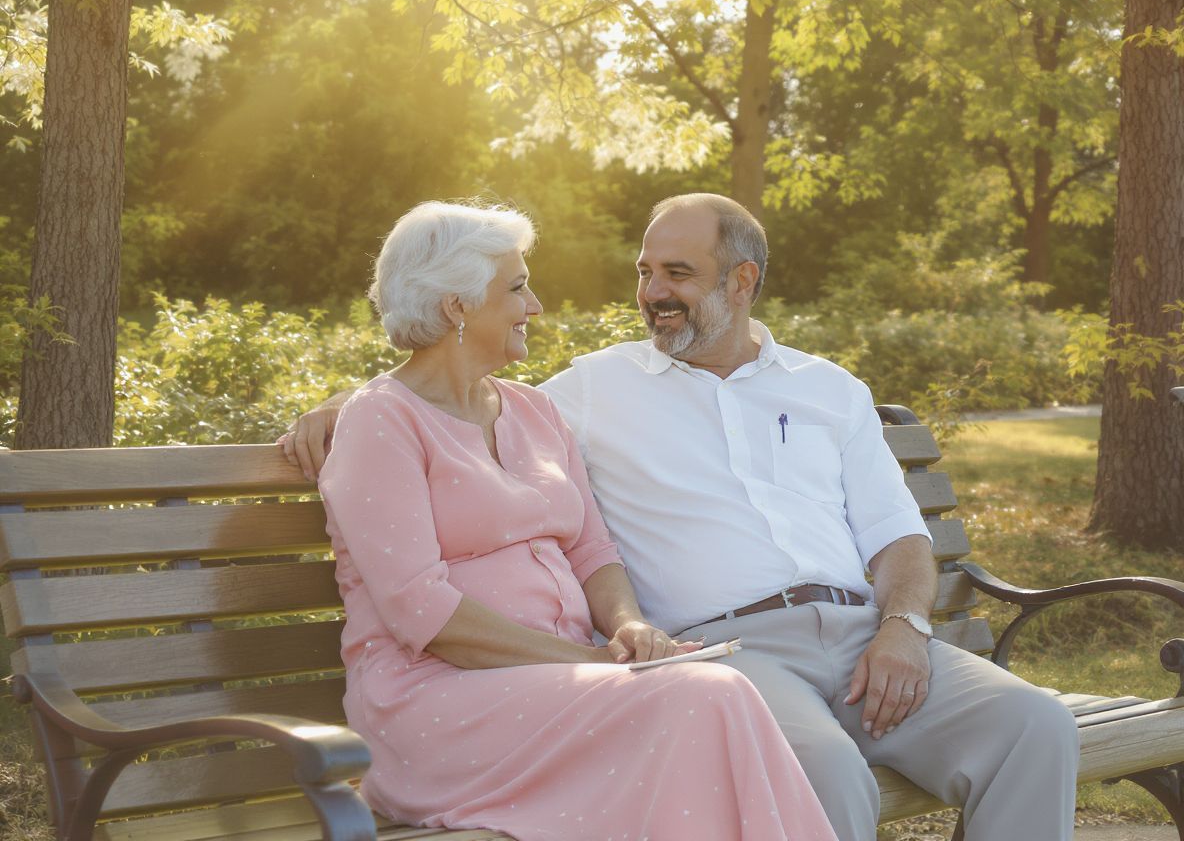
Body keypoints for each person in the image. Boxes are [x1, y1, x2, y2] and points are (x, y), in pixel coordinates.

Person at [285, 194, 1080, 841]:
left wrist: (904, 626)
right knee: (815, 766)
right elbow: (421, 403)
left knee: (1037, 728)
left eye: (677, 272)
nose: (651, 291)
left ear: (743, 282)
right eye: (645, 272)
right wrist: (349, 405)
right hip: (724, 652)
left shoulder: (825, 387)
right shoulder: (592, 389)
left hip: (865, 635)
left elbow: (898, 536)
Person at [305, 200, 839, 841]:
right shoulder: (380, 421)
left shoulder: (534, 411)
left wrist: (629, 625)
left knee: (714, 697)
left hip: (559, 689)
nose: (534, 306)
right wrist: (592, 663)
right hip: (437, 705)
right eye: (517, 287)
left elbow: (592, 550)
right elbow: (422, 612)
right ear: (457, 307)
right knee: (707, 696)